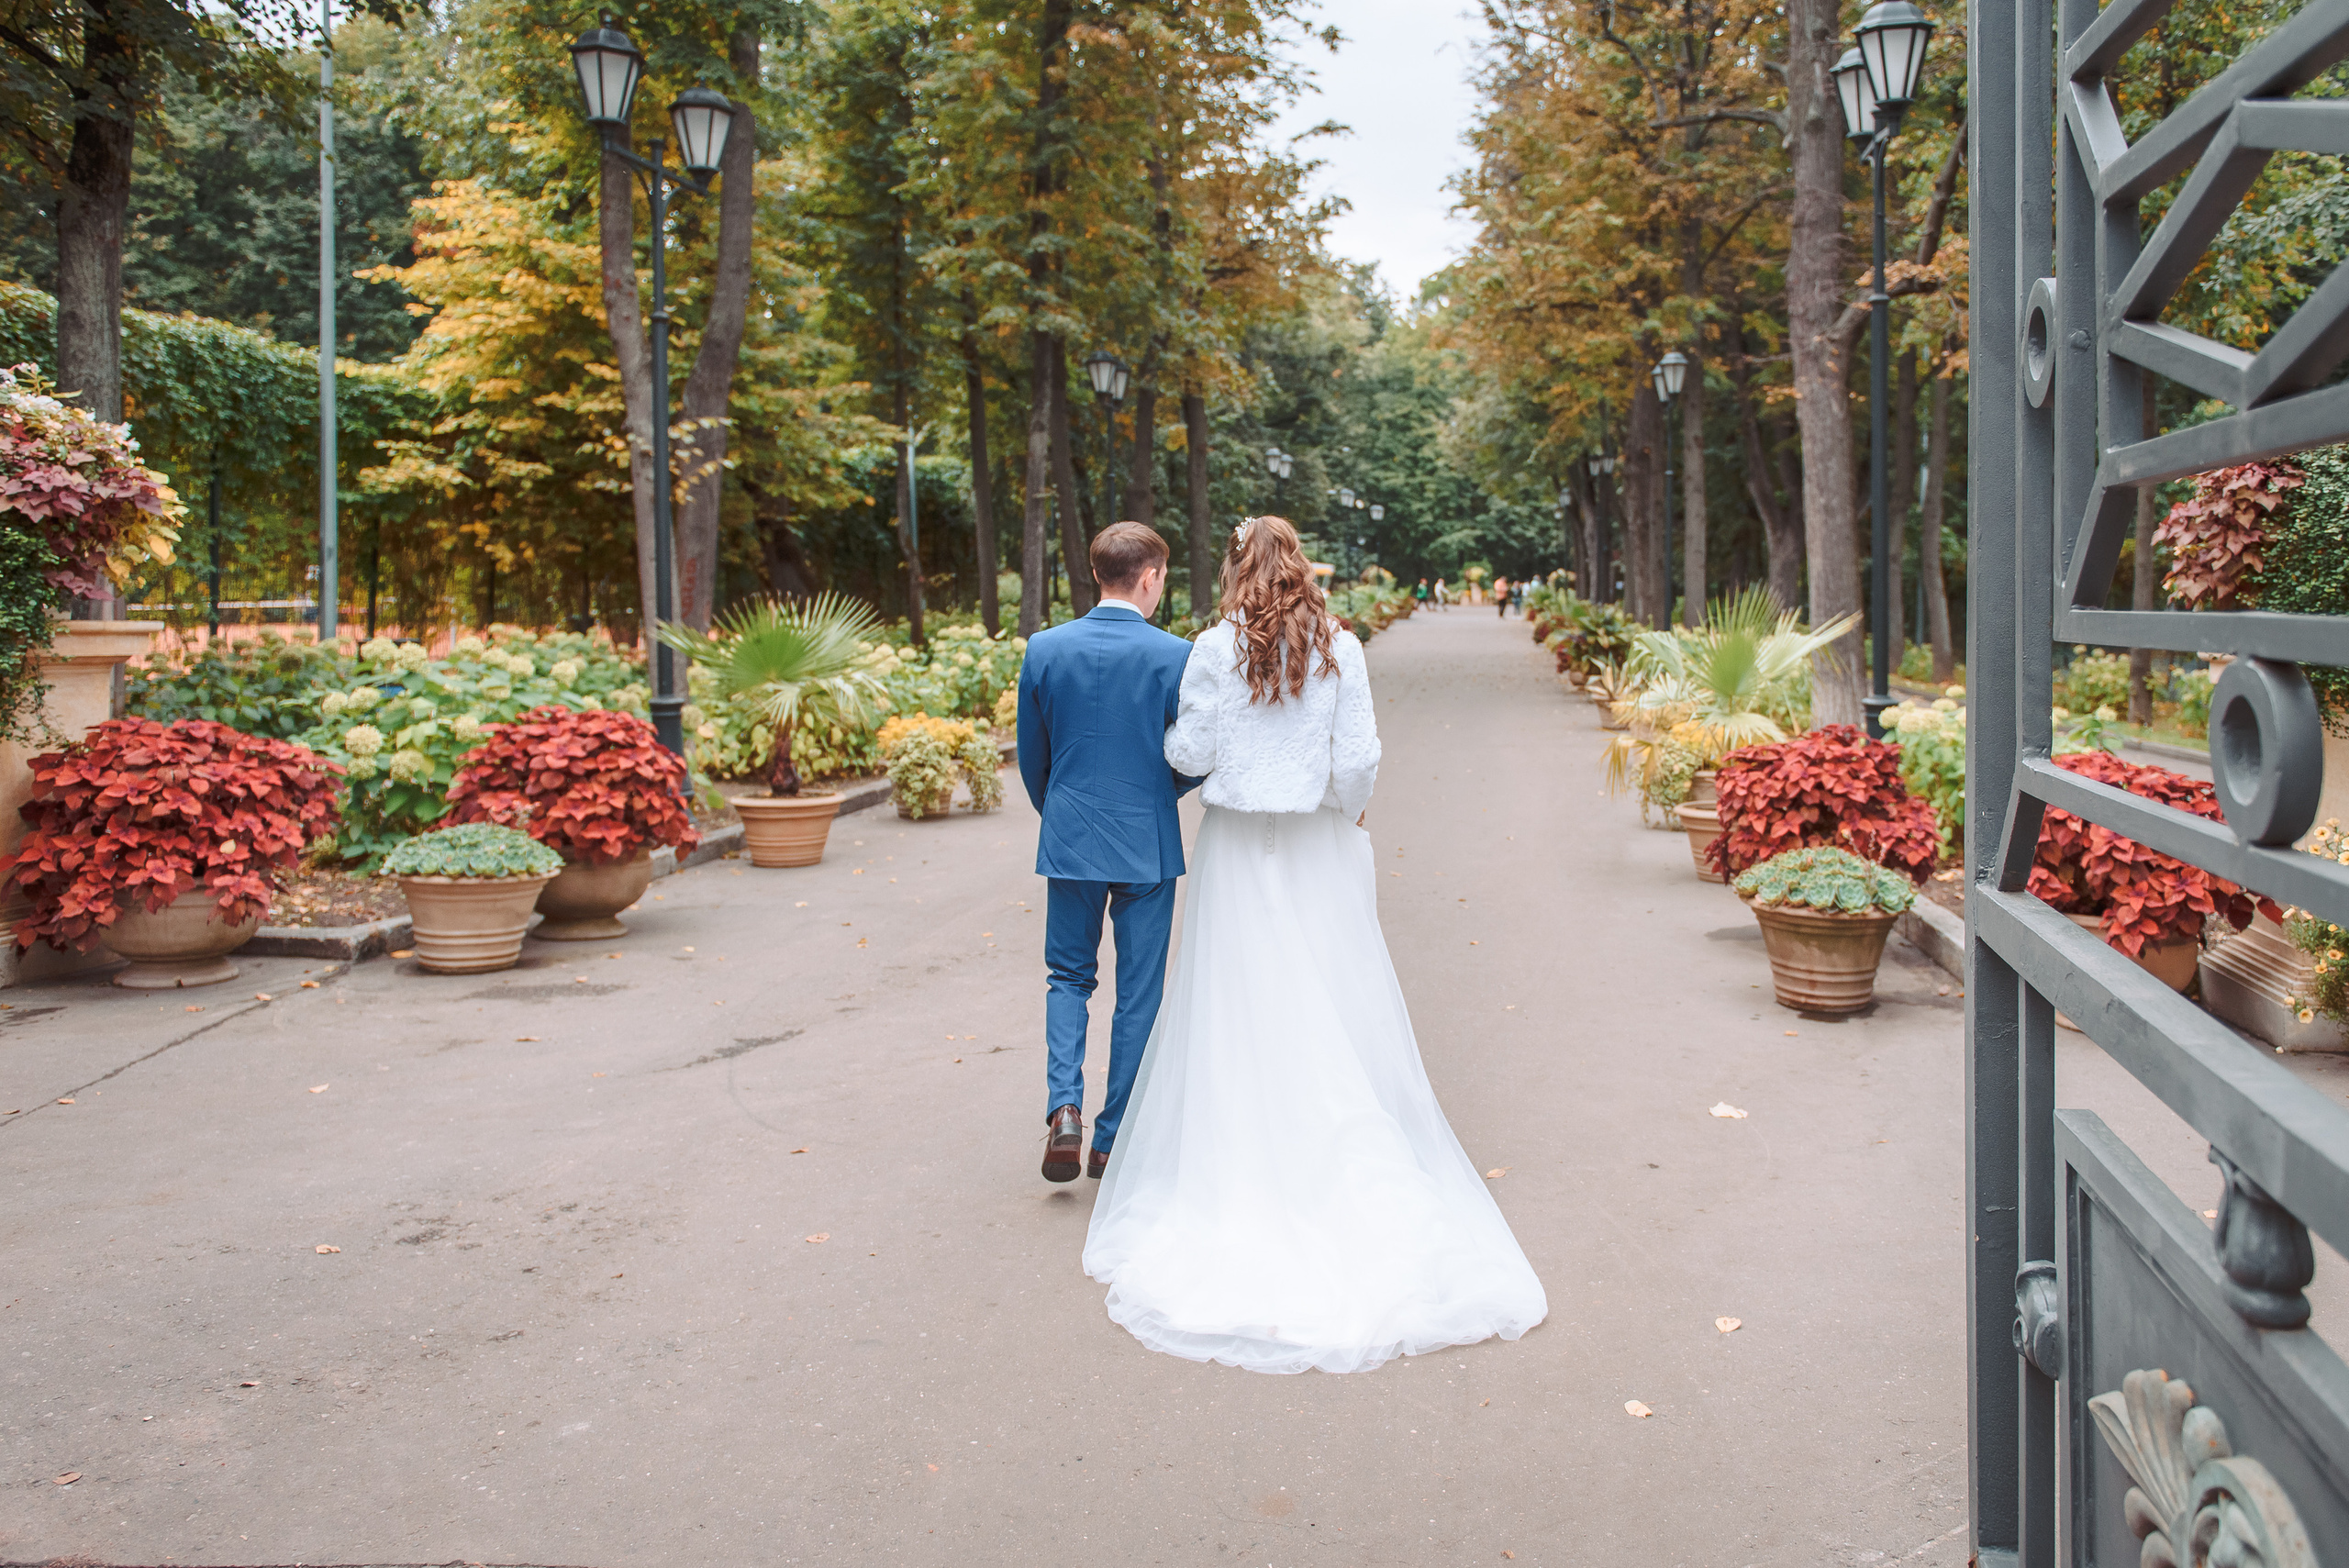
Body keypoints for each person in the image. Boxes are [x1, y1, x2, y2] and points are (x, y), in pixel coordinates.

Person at [1084, 515, 1547, 1373]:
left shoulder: (1214, 648)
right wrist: (1342, 806)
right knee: (1331, 997)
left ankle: (1241, 1156)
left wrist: (1174, 751)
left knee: (1238, 1001)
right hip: (1316, 846)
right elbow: (1359, 756)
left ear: (1233, 569)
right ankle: (1350, 1156)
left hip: (1235, 845)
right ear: (1298, 564)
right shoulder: (1340, 644)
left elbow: (1193, 746)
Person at [1015, 523, 1200, 1183]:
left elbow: (1031, 755)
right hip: (1146, 844)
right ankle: (1112, 1139)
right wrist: (1159, 793)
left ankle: (1065, 1108)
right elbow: (1194, 755)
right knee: (1137, 993)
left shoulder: (1045, 648)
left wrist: (1061, 811)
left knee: (1067, 976)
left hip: (1069, 836)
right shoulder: (1176, 656)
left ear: (1098, 574)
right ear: (1149, 577)